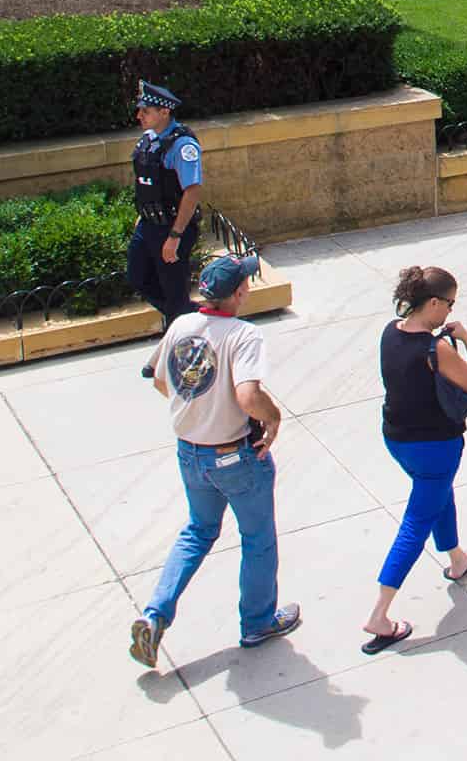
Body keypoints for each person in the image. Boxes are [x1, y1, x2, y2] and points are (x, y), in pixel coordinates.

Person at [129, 253, 299, 667]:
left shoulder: (182, 325)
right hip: (235, 456)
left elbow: (156, 377)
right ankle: (258, 621)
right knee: (257, 539)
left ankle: (154, 616)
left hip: (190, 453)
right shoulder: (243, 336)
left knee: (198, 531)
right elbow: (247, 396)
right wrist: (274, 419)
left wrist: (197, 411)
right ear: (239, 293)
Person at [361, 266, 467, 652]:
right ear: (433, 302)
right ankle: (379, 615)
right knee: (416, 523)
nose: (451, 312)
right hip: (435, 445)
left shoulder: (390, 331)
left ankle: (457, 558)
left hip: (397, 439)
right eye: (449, 304)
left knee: (437, 493)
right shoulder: (436, 349)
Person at [128, 80, 205, 377]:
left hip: (172, 229)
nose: (139, 116)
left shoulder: (182, 145)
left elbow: (192, 191)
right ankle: (193, 317)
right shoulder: (149, 139)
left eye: (145, 111)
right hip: (147, 225)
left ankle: (172, 360)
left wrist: (174, 236)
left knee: (173, 295)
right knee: (136, 277)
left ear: (163, 111)